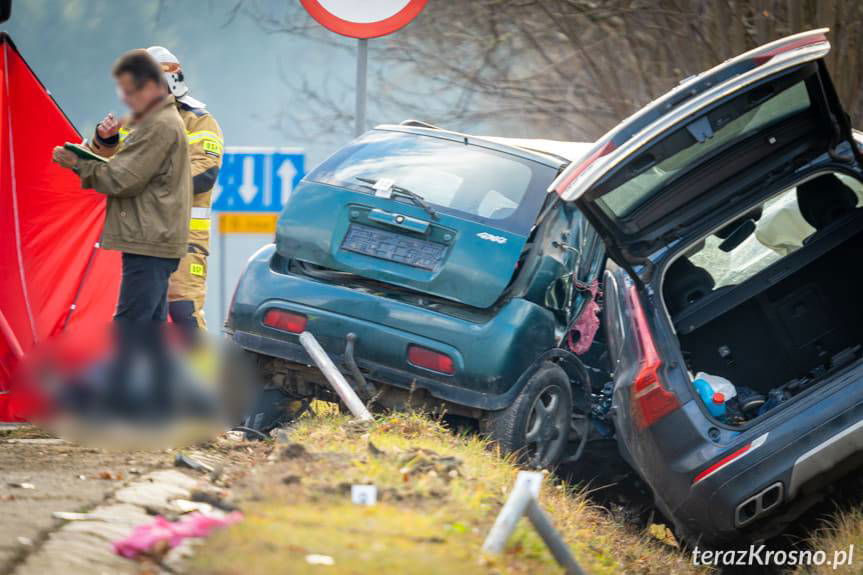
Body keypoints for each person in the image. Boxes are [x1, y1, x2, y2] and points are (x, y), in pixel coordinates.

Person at [52, 49, 191, 412]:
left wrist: (77, 165)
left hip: (150, 238)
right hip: (155, 237)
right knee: (150, 328)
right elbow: (126, 165)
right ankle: (162, 403)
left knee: (131, 323)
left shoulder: (159, 124)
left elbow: (122, 178)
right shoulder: (157, 120)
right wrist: (104, 141)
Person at [90, 46, 224, 337]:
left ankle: (207, 379)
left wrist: (143, 176)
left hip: (184, 237)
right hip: (143, 239)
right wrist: (105, 140)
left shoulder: (198, 120)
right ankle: (154, 381)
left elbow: (204, 174)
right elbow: (108, 169)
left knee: (183, 312)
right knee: (147, 317)